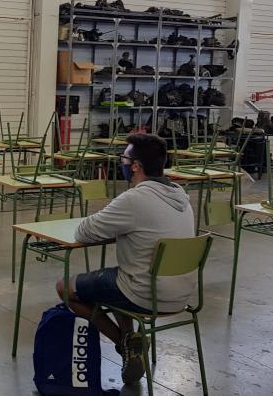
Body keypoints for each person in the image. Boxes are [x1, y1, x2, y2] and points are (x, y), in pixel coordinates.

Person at [56, 133, 195, 384]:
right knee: (118, 275)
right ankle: (133, 341)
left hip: (145, 293)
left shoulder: (134, 199)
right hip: (182, 293)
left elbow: (85, 231)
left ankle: (123, 342)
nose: (122, 163)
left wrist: (111, 211)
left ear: (136, 166)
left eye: (125, 159)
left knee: (65, 287)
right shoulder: (181, 196)